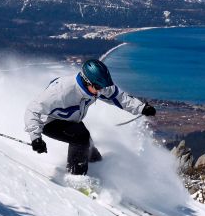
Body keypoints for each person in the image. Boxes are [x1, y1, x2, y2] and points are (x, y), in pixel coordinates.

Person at [24, 58, 156, 175]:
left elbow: (119, 97)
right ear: (86, 81)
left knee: (89, 147)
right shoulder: (61, 91)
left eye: (103, 86)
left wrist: (142, 108)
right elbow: (32, 109)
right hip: (49, 122)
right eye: (98, 87)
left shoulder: (98, 87)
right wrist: (36, 138)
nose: (101, 90)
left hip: (70, 120)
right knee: (81, 137)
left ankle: (96, 166)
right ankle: (76, 176)